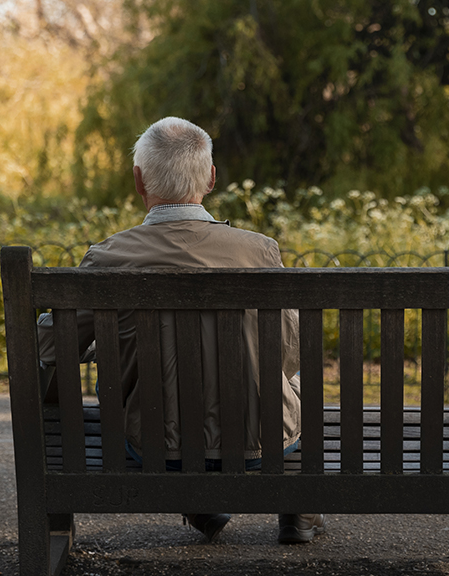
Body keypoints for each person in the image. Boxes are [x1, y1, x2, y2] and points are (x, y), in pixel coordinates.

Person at [35, 116, 324, 545]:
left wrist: (103, 346)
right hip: (261, 447)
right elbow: (289, 354)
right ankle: (298, 508)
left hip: (153, 448)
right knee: (288, 385)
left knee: (149, 393)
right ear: (210, 178)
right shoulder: (259, 251)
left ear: (138, 180)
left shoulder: (109, 258)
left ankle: (202, 502)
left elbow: (48, 345)